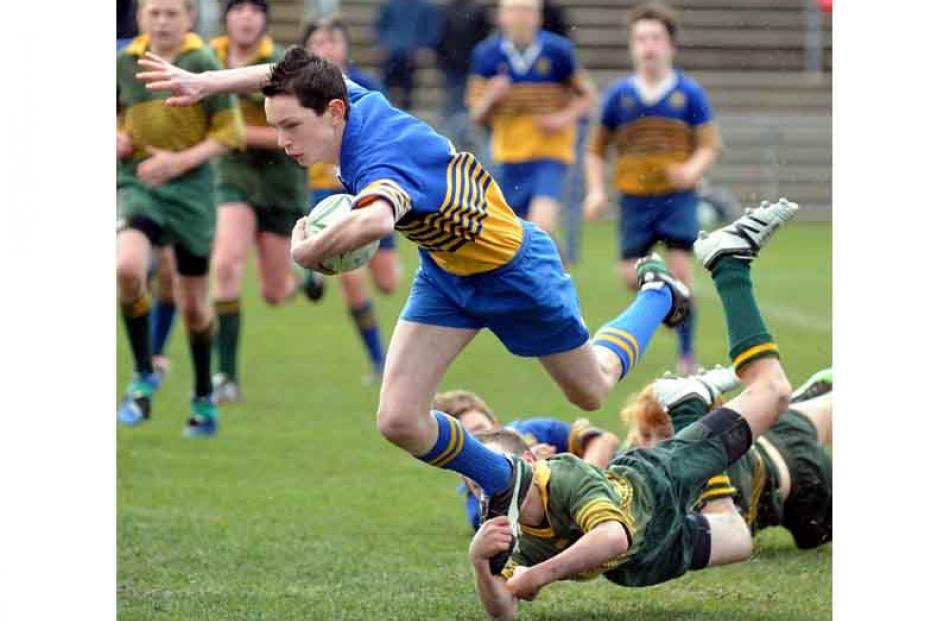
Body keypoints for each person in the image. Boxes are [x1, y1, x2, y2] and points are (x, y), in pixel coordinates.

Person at [135, 48, 786, 577]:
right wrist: (208, 82)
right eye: (275, 126)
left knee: (588, 383)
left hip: (516, 274)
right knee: (396, 417)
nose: (281, 141)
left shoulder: (381, 155)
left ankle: (658, 294)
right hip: (448, 276)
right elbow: (288, 66)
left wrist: (310, 247)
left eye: (290, 128)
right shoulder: (346, 99)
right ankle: (502, 477)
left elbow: (374, 222)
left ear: (333, 113)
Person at [466, 199, 799, 617]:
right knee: (737, 541)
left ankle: (728, 263)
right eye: (477, 483)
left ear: (532, 460)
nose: (487, 490)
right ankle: (687, 392)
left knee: (775, 391)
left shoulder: (562, 475)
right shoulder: (506, 530)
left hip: (661, 479)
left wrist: (537, 575)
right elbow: (505, 611)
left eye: (496, 474)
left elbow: (611, 539)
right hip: (644, 558)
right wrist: (482, 566)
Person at [117, 0, 244, 436]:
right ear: (140, 18)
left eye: (172, 13)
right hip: (139, 185)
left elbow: (231, 134)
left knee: (193, 307)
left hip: (191, 194)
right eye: (154, 12)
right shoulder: (124, 63)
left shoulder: (202, 62)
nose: (162, 21)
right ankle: (143, 371)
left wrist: (179, 161)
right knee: (127, 267)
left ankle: (204, 398)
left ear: (189, 18)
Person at [585, 3, 720, 374]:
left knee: (682, 274)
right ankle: (661, 297)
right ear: (631, 46)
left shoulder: (689, 94)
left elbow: (709, 144)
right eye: (641, 38)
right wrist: (596, 191)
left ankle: (687, 357)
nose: (648, 46)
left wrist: (692, 168)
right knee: (631, 274)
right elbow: (595, 151)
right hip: (634, 200)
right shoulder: (618, 97)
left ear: (671, 46)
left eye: (656, 38)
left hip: (676, 199)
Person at [207, 0, 311, 403]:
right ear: (227, 17)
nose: (246, 16)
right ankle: (225, 377)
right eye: (238, 8)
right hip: (232, 176)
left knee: (273, 291)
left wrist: (237, 134)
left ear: (265, 19)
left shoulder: (282, 66)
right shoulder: (207, 57)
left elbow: (296, 131)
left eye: (254, 9)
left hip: (280, 180)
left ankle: (303, 279)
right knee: (226, 263)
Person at [624, 366, 832, 549]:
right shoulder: (643, 454)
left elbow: (729, 531)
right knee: (810, 413)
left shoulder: (724, 474)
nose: (653, 445)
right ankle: (809, 396)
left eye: (666, 436)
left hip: (801, 474)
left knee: (816, 531)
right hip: (766, 429)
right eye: (645, 434)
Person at [303, 17, 403, 381]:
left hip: (366, 189)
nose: (326, 48)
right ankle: (379, 361)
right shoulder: (301, 91)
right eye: (318, 41)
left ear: (346, 48)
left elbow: (385, 131)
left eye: (333, 40)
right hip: (326, 194)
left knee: (388, 282)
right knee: (351, 277)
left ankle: (310, 270)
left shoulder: (366, 86)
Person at [467, 0, 596, 237]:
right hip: (507, 154)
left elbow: (587, 98)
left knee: (540, 225)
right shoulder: (487, 54)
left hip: (550, 151)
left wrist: (562, 118)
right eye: (514, 11)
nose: (521, 18)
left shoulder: (558, 51)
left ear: (539, 17)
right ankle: (555, 267)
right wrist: (491, 97)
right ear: (501, 17)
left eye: (527, 11)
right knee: (515, 234)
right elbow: (475, 114)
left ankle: (550, 265)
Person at [433, 389, 620, 531]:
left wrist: (580, 482)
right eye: (470, 439)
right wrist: (534, 472)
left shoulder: (533, 431)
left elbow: (604, 440)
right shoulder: (478, 504)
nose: (479, 441)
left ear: (497, 423)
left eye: (482, 428)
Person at [435, 0, 491, 154]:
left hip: (471, 69)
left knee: (470, 107)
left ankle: (472, 142)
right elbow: (440, 39)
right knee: (454, 107)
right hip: (453, 68)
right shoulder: (445, 11)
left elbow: (483, 39)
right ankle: (454, 143)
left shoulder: (478, 10)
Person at [375, 0, 441, 110]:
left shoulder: (425, 7)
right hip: (394, 53)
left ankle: (403, 101)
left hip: (410, 54)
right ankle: (392, 99)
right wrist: (385, 43)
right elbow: (381, 27)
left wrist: (423, 46)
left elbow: (432, 31)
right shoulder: (391, 5)